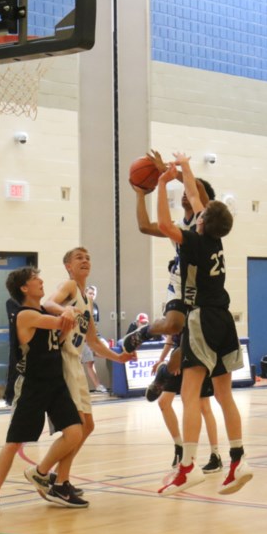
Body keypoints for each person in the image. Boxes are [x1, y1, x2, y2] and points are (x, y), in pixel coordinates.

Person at [155, 152, 252, 496]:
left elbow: (166, 225)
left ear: (200, 221)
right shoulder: (215, 238)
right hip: (225, 320)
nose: (197, 208)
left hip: (200, 319)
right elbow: (198, 197)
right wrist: (184, 168)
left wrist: (163, 186)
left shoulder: (194, 241)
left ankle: (187, 467)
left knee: (189, 394)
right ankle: (239, 458)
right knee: (225, 395)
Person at [0, 266, 82, 516]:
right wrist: (69, 308)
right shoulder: (25, 315)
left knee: (75, 432)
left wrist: (65, 323)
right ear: (24, 288)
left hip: (55, 382)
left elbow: (55, 340)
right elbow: (63, 320)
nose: (41, 281)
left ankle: (39, 473)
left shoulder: (41, 310)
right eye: (35, 279)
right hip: (32, 385)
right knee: (14, 442)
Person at [42, 247, 137, 506]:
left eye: (88, 258)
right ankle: (47, 476)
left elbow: (93, 340)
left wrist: (119, 357)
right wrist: (63, 311)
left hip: (76, 364)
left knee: (89, 426)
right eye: (79, 258)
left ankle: (61, 479)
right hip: (63, 362)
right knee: (78, 426)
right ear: (68, 266)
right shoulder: (70, 286)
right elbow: (47, 303)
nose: (85, 261)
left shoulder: (88, 298)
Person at [120, 149, 215, 353]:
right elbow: (144, 226)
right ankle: (144, 332)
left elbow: (196, 185)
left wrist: (166, 170)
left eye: (186, 190)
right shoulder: (177, 227)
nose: (184, 194)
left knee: (193, 348)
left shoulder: (206, 219)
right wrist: (140, 194)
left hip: (205, 286)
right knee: (173, 325)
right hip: (181, 280)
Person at [148, 332, 224, 474]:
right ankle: (179, 447)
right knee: (163, 402)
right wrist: (162, 359)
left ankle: (216, 456)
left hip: (197, 359)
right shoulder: (172, 314)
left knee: (204, 406)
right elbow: (170, 339)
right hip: (178, 359)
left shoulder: (192, 312)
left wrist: (178, 357)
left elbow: (193, 335)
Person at [80, 284, 107, 393]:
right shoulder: (81, 305)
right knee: (90, 362)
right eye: (90, 293)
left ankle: (93, 350)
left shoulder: (95, 306)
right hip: (83, 337)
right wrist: (86, 338)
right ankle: (97, 386)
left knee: (106, 349)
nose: (92, 295)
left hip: (94, 335)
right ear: (85, 293)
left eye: (94, 294)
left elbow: (95, 324)